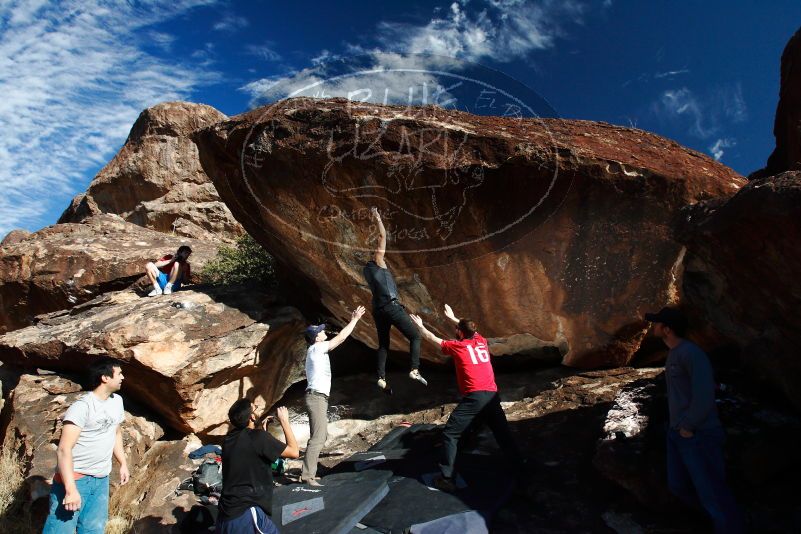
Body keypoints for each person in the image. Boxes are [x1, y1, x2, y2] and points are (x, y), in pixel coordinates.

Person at [645, 307, 745, 534]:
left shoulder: (691, 353)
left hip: (698, 434)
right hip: (679, 433)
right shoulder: (675, 353)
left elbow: (705, 395)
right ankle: (717, 521)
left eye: (657, 323)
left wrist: (687, 427)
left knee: (713, 492)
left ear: (667, 329)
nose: (653, 326)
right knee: (678, 486)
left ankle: (729, 526)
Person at [410, 305, 522, 492]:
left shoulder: (458, 346)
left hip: (475, 396)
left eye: (456, 329)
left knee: (450, 433)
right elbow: (470, 329)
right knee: (502, 433)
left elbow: (434, 339)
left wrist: (420, 326)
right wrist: (454, 318)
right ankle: (519, 464)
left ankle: (446, 477)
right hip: (492, 395)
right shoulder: (481, 341)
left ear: (460, 333)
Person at [43, 358, 129, 534]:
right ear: (105, 377)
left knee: (93, 530)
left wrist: (123, 463)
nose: (123, 377)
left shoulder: (117, 401)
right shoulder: (82, 407)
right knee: (60, 529)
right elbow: (64, 449)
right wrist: (70, 489)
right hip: (77, 478)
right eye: (119, 373)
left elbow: (116, 432)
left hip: (101, 479)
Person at [362, 207, 427, 394]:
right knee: (415, 336)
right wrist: (378, 218)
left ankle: (381, 378)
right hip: (391, 307)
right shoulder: (378, 263)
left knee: (383, 345)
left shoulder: (367, 272)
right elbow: (382, 238)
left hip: (378, 311)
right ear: (377, 260)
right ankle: (414, 369)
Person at [302, 305, 366, 486]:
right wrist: (355, 319)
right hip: (316, 397)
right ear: (316, 338)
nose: (324, 333)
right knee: (318, 437)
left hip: (318, 397)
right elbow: (341, 338)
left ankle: (310, 472)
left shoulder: (315, 350)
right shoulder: (317, 348)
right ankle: (307, 476)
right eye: (321, 332)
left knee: (320, 436)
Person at [215, 400, 300, 534]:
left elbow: (251, 454)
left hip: (225, 514)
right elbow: (294, 452)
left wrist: (263, 430)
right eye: (256, 408)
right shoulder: (259, 438)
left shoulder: (228, 440)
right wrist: (284, 421)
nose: (258, 410)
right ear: (252, 417)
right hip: (245, 514)